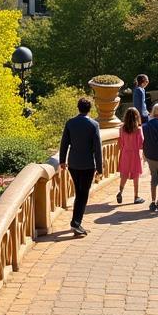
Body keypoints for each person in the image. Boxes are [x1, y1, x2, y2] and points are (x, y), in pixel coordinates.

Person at [59, 96, 104, 236]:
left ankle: (76, 222)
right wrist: (100, 168)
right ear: (90, 109)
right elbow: (97, 148)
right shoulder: (93, 125)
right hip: (87, 165)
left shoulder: (70, 123)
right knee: (83, 194)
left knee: (79, 193)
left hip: (73, 163)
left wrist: (62, 161)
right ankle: (76, 223)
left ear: (78, 108)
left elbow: (64, 143)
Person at [116, 106, 145, 205]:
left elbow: (120, 144)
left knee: (124, 174)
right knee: (136, 175)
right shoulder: (138, 129)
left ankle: (120, 192)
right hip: (135, 154)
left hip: (125, 153)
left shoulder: (122, 129)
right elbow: (141, 144)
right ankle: (136, 196)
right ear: (137, 117)